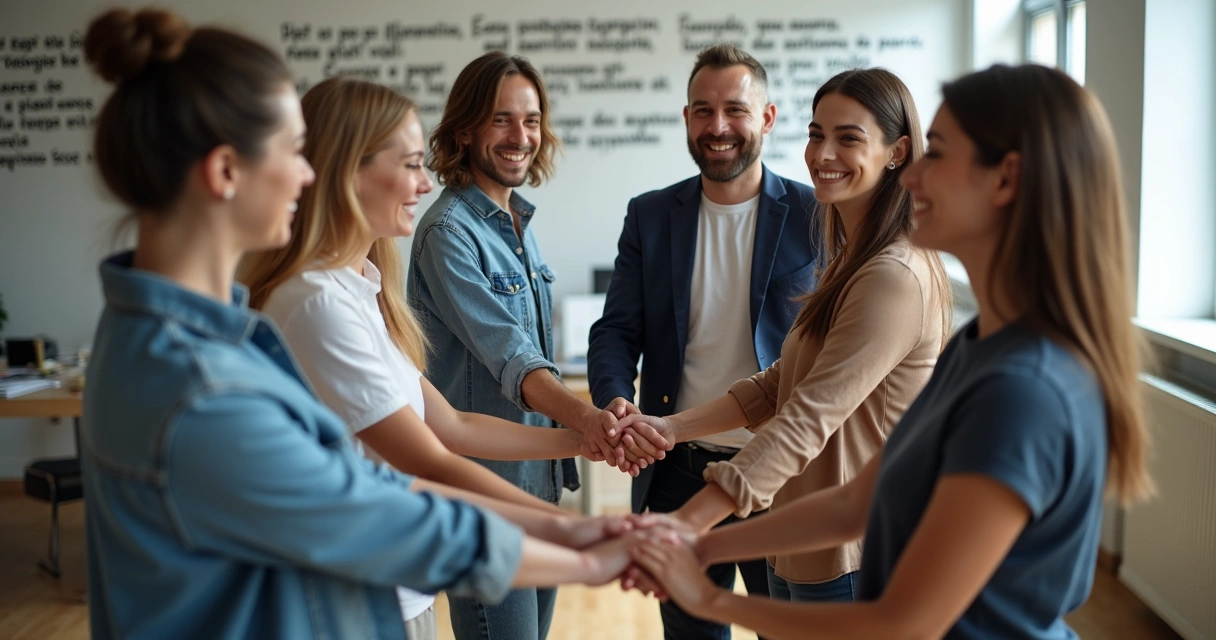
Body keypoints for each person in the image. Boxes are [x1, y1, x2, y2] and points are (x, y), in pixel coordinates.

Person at [78, 9, 640, 640]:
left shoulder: (177, 342)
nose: (309, 173)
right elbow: (382, 509)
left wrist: (581, 485)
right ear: (226, 171)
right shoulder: (208, 385)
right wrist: (590, 547)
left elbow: (406, 456)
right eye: (295, 152)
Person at [626, 63, 1154, 639]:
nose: (915, 175)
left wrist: (707, 590)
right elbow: (854, 500)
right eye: (816, 133)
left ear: (1005, 180)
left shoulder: (1016, 384)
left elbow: (903, 623)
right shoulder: (976, 349)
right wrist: (697, 537)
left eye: (939, 154)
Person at [238, 75, 630, 638]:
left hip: (395, 581)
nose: (424, 185)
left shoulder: (364, 291)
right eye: (410, 165)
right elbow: (432, 459)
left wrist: (585, 440)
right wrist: (581, 533)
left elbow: (453, 425)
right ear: (348, 171)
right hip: (352, 591)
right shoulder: (316, 303)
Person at [614, 67, 951, 603]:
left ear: (897, 151)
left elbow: (805, 419)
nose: (822, 154)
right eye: (817, 134)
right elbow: (779, 386)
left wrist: (688, 526)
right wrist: (668, 428)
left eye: (849, 138)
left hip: (855, 558)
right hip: (803, 545)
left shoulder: (893, 276)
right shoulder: (850, 260)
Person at [407, 51, 668, 639]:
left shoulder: (519, 226)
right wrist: (592, 421)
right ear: (466, 129)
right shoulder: (448, 233)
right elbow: (514, 359)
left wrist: (590, 432)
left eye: (530, 120)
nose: (520, 136)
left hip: (537, 484)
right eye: (501, 120)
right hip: (486, 495)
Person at [586, 44, 819, 639]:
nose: (718, 127)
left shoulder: (817, 214)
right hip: (678, 469)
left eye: (735, 110)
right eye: (702, 110)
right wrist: (615, 398)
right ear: (686, 117)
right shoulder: (650, 215)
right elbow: (616, 330)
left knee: (785, 631)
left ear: (766, 118)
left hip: (781, 476)